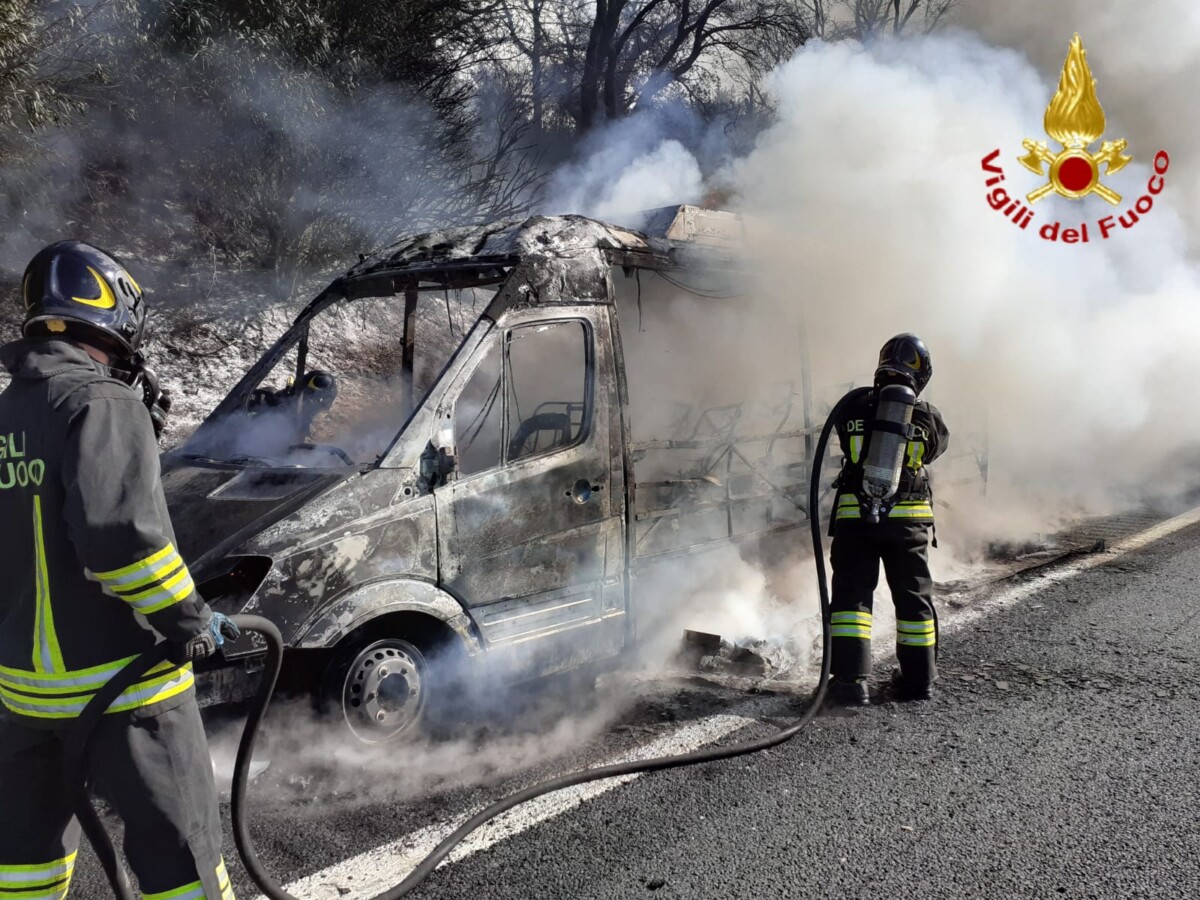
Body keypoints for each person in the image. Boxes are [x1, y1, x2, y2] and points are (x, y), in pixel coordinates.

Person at [0, 241, 239, 899]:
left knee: (22, 868)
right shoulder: (100, 402)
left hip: (23, 697)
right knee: (179, 862)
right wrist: (189, 620)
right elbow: (120, 540)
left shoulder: (7, 413)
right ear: (114, 317)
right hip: (126, 692)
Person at [827, 333, 950, 707]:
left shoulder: (852, 406)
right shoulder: (928, 417)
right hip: (908, 524)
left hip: (856, 519)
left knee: (851, 600)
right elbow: (935, 450)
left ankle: (850, 684)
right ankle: (919, 681)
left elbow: (840, 434)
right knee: (913, 599)